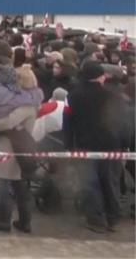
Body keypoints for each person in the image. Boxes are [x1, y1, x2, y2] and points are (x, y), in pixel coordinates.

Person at [0, 62, 43, 233]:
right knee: (20, 186)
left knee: (2, 183)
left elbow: (7, 122)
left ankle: (4, 219)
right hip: (20, 147)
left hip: (9, 148)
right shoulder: (32, 101)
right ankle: (24, 221)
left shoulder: (25, 104)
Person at [64, 60, 127, 233]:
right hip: (111, 147)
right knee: (110, 183)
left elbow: (67, 122)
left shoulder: (73, 96)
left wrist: (69, 146)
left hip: (85, 147)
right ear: (100, 77)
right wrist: (124, 145)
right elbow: (122, 123)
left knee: (91, 184)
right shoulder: (113, 96)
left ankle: (96, 219)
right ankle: (113, 218)